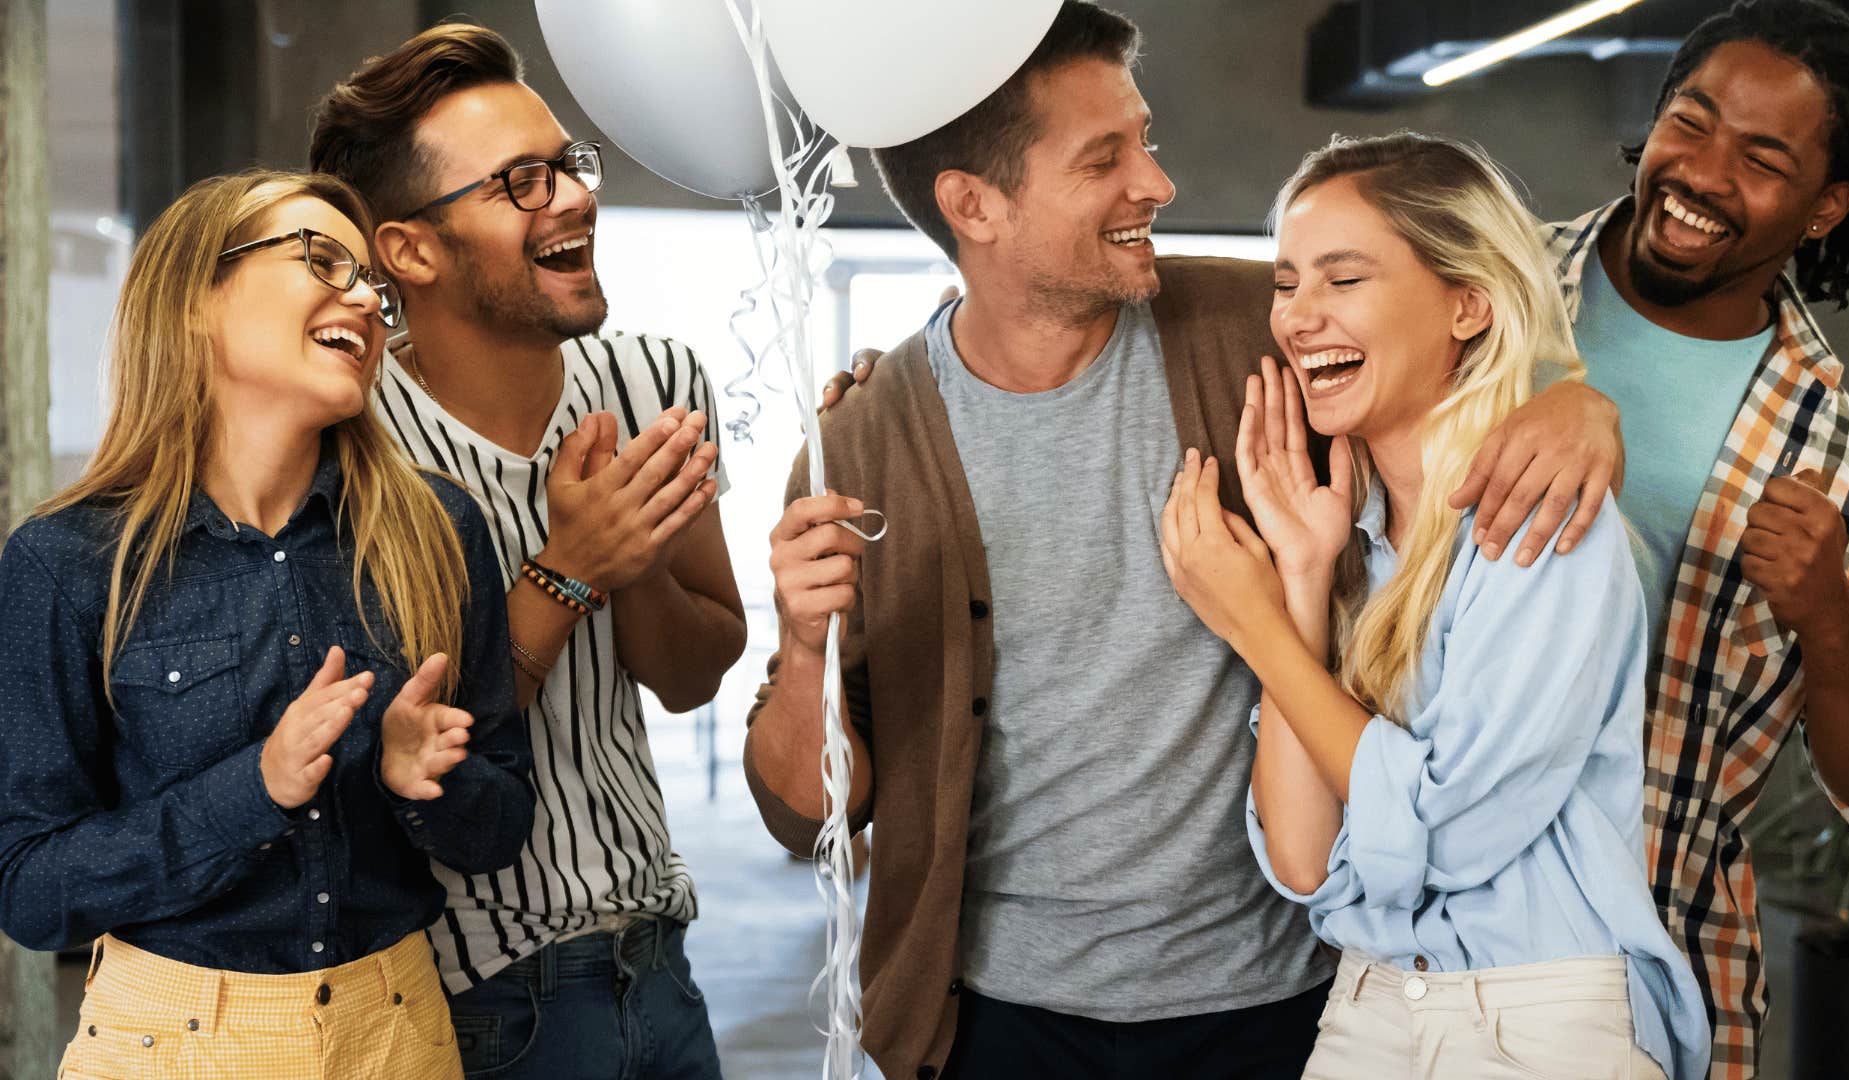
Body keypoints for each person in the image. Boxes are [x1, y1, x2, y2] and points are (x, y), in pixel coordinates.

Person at [749, 5, 1625, 1077]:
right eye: (1105, 157)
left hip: (1279, 1000)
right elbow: (806, 819)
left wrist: (1577, 403)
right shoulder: (862, 446)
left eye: (1145, 140)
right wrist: (803, 651)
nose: (1158, 183)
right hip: (998, 1019)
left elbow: (1443, 335)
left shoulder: (1248, 325)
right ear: (974, 205)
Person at [1160, 131, 1710, 1080]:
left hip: (1539, 1015)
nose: (1297, 317)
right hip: (1371, 1000)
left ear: (1469, 304)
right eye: (1287, 282)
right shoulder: (1354, 547)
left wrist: (1248, 621)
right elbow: (1299, 858)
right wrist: (1296, 579)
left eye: (1344, 279)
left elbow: (1447, 833)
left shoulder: (1542, 527)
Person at [0, 169, 533, 1078]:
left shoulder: (441, 529)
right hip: (163, 1042)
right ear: (196, 299)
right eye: (324, 260)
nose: (366, 297)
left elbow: (501, 825)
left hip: (400, 1032)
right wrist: (257, 787)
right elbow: (31, 889)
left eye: (374, 283)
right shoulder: (65, 561)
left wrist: (419, 784)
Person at [308, 24, 746, 1079]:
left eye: (567, 164)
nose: (574, 198)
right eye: (521, 182)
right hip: (480, 1006)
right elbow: (402, 755)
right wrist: (570, 567)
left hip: (661, 963)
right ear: (410, 250)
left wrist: (634, 561)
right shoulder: (351, 444)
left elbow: (692, 677)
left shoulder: (656, 383)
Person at [1545, 4, 1849, 1073]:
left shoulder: (1839, 455)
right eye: (1691, 122)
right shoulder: (1485, 294)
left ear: (1823, 208)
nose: (1701, 173)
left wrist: (1829, 615)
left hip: (1644, 964)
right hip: (1398, 930)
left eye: (1761, 158)